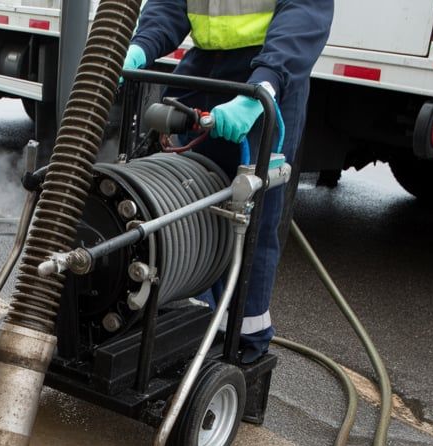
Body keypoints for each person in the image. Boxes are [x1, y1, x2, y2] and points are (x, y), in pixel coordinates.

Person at [124, 0, 334, 361]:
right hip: (204, 66)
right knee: (180, 201)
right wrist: (142, 45)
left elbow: (304, 13)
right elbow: (171, 4)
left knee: (249, 215)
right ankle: (188, 324)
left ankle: (243, 345)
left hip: (266, 75)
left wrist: (266, 84)